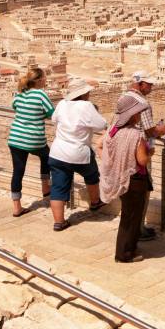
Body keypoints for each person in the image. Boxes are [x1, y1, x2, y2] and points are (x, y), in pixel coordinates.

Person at [48, 78, 108, 232]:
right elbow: (101, 125)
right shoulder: (85, 106)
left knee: (58, 187)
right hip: (78, 152)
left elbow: (54, 119)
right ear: (83, 93)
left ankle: (59, 222)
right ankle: (95, 202)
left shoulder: (62, 104)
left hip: (58, 152)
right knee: (92, 174)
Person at [100, 94, 151, 263]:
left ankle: (128, 248)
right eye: (137, 113)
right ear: (131, 115)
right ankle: (124, 254)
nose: (139, 116)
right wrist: (149, 151)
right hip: (134, 179)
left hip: (119, 177)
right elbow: (142, 160)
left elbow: (100, 146)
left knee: (127, 215)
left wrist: (112, 164)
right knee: (132, 217)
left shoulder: (113, 131)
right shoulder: (135, 135)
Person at [124, 71, 165, 241]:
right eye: (148, 84)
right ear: (140, 84)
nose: (151, 87)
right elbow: (149, 131)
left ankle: (131, 226)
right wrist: (161, 130)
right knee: (142, 190)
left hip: (125, 148)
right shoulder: (143, 103)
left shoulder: (124, 98)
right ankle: (138, 229)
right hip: (140, 151)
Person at [7, 67, 54, 217]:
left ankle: (17, 207)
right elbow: (51, 113)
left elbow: (14, 106)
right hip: (33, 138)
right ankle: (45, 187)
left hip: (15, 137)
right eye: (45, 78)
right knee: (46, 155)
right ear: (40, 80)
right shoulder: (40, 94)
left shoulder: (20, 93)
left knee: (18, 171)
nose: (46, 80)